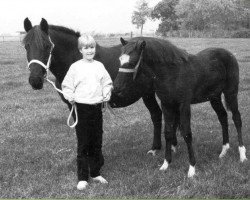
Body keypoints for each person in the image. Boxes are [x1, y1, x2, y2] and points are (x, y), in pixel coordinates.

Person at [62, 34, 113, 190]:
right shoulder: (75, 67)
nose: (89, 50)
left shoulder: (99, 66)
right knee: (84, 143)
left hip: (96, 108)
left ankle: (95, 172)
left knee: (97, 141)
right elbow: (66, 85)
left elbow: (107, 82)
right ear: (80, 50)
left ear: (95, 49)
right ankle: (83, 177)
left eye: (92, 47)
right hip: (82, 109)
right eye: (86, 48)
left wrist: (106, 93)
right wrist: (70, 96)